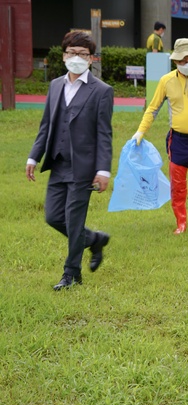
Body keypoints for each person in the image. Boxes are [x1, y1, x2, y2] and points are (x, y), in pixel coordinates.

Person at [26, 31, 113, 290]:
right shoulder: (55, 85)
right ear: (64, 55)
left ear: (91, 58)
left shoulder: (102, 91)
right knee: (53, 217)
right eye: (72, 53)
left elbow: (104, 134)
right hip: (58, 162)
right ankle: (95, 239)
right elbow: (46, 126)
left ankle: (71, 274)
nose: (77, 57)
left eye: (83, 54)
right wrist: (33, 156)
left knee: (74, 221)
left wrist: (103, 170)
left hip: (84, 167)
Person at [131, 38, 188, 237]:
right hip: (178, 141)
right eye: (183, 60)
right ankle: (181, 222)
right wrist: (140, 132)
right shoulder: (166, 81)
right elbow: (153, 109)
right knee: (178, 186)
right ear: (176, 61)